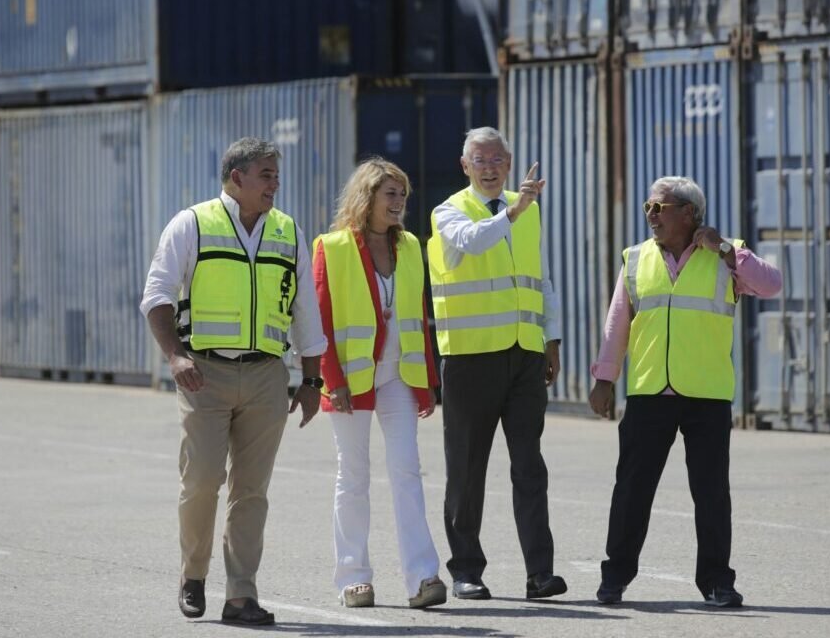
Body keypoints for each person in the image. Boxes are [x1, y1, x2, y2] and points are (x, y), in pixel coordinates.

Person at [141, 137, 327, 626]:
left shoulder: (288, 231)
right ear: (235, 178)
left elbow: (305, 308)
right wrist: (175, 357)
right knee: (201, 480)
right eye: (265, 174)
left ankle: (241, 594)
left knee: (252, 490)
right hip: (204, 373)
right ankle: (193, 574)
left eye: (275, 174)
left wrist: (312, 380)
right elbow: (157, 295)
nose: (275, 183)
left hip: (267, 375)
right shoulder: (193, 223)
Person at [589, 176, 782, 608]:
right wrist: (605, 376)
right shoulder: (637, 258)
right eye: (648, 207)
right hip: (649, 392)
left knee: (711, 493)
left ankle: (717, 581)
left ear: (690, 213)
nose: (652, 215)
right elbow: (618, 321)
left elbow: (772, 284)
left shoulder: (726, 257)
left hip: (706, 393)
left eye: (661, 207)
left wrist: (729, 251)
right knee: (632, 490)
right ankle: (615, 576)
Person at [427, 127, 566, 601]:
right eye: (479, 160)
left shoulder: (527, 210)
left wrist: (552, 337)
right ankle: (466, 569)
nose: (490, 168)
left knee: (530, 466)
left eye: (497, 159)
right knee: (467, 470)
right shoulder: (447, 211)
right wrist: (515, 211)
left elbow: (540, 276)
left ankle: (540, 574)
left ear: (509, 163)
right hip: (470, 357)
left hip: (524, 355)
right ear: (464, 166)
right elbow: (472, 242)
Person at [310, 158, 447, 609]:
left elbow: (417, 317)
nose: (399, 202)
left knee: (407, 470)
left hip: (399, 377)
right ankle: (354, 578)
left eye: (402, 194)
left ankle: (423, 578)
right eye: (390, 193)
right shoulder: (331, 248)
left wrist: (427, 381)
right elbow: (320, 321)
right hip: (352, 380)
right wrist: (332, 380)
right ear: (366, 198)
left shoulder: (410, 246)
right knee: (353, 476)